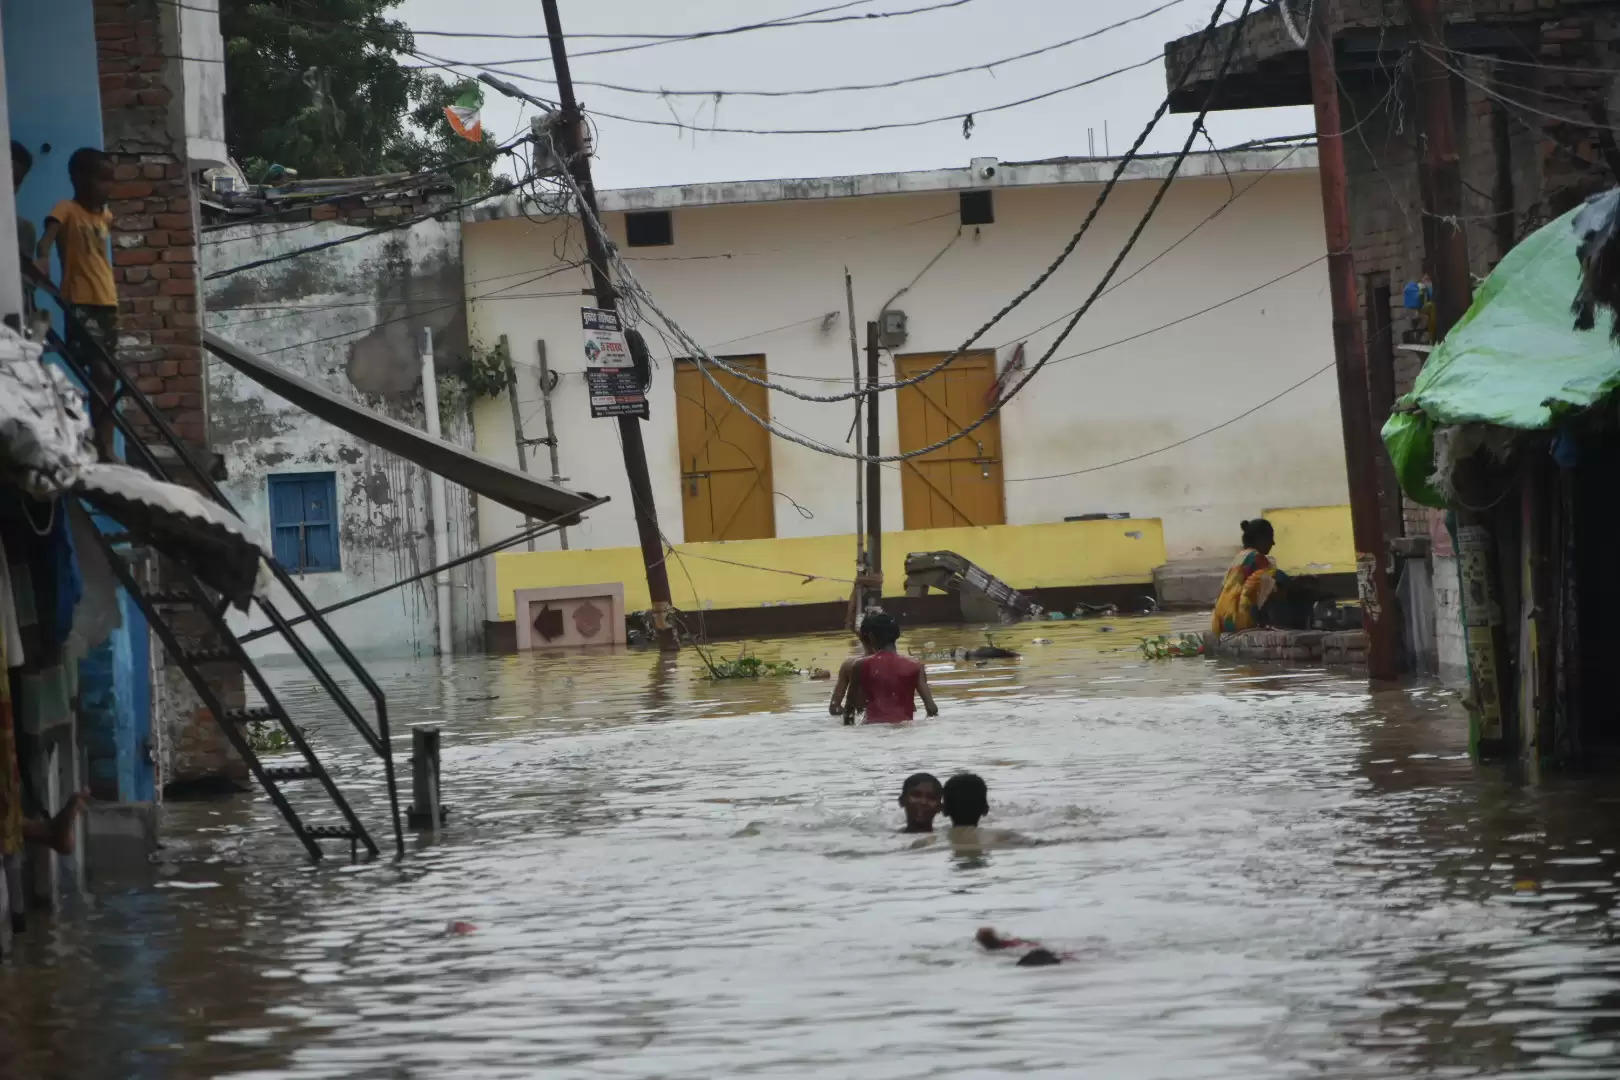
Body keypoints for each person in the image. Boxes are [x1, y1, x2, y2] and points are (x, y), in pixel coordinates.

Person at [38, 147, 118, 460]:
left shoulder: (105, 216)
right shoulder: (66, 209)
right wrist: (43, 258)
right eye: (102, 179)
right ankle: (101, 445)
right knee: (101, 373)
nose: (107, 187)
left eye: (110, 181)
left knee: (106, 378)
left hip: (107, 302)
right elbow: (46, 239)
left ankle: (104, 444)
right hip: (80, 301)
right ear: (78, 178)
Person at [851, 612, 937, 725]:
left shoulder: (860, 665)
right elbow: (932, 709)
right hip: (905, 729)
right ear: (897, 635)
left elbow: (851, 710)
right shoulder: (915, 665)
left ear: (871, 637)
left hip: (871, 731)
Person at [1212, 518, 1289, 636]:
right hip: (1240, 621)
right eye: (1270, 537)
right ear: (1260, 538)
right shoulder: (1258, 558)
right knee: (1277, 577)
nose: (1273, 543)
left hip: (1221, 621)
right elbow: (1274, 585)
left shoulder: (1239, 557)